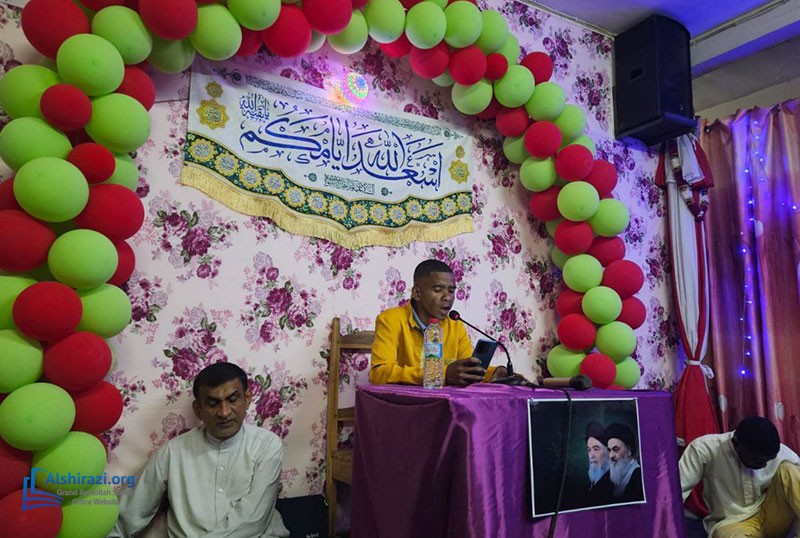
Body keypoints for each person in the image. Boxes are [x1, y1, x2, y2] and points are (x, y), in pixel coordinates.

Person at [113, 362, 289, 538]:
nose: (224, 412)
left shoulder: (266, 446)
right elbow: (129, 509)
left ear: (247, 398)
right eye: (213, 403)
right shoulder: (174, 452)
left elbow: (253, 520)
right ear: (198, 409)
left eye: (232, 399)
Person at [369, 259, 508, 386]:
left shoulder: (455, 325)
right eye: (437, 290)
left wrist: (495, 373)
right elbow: (379, 373)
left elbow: (468, 369)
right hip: (404, 403)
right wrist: (439, 375)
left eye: (451, 291)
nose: (447, 297)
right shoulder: (391, 319)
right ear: (417, 293)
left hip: (443, 403)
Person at [679, 416, 800, 538]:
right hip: (732, 523)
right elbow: (676, 492)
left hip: (772, 515)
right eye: (756, 461)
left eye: (768, 461)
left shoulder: (779, 452)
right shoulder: (704, 449)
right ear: (736, 443)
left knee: (789, 470)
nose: (763, 465)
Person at [606, 422, 643, 503]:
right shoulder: (613, 479)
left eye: (615, 449)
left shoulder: (640, 478)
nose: (611, 456)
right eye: (609, 450)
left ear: (629, 451)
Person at [584, 421, 614, 506]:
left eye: (596, 449)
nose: (591, 456)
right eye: (589, 450)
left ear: (608, 452)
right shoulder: (592, 483)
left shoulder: (613, 484)